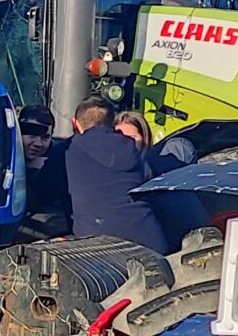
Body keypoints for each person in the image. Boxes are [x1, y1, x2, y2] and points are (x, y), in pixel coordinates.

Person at [62, 96, 167, 252]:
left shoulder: (68, 149)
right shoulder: (132, 150)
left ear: (75, 124)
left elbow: (39, 194)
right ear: (111, 124)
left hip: (97, 246)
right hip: (149, 241)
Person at [17, 104, 70, 226]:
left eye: (45, 138)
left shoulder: (60, 159)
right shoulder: (2, 156)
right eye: (32, 135)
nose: (38, 143)